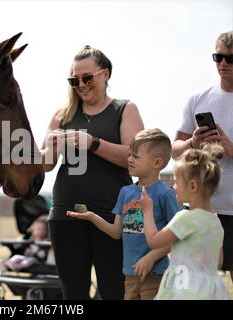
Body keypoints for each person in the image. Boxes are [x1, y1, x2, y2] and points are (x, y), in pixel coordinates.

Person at [41, 45, 144, 299]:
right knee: (73, 295)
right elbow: (45, 164)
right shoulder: (62, 115)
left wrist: (93, 143)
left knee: (115, 291)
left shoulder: (125, 109)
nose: (82, 85)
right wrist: (48, 146)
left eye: (88, 78)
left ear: (105, 74)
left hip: (114, 215)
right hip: (66, 215)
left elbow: (135, 158)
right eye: (75, 80)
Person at [67, 128, 179, 300]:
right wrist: (92, 217)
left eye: (136, 156)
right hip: (130, 275)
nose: (129, 160)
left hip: (155, 275)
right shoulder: (125, 192)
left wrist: (151, 258)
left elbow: (176, 236)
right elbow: (116, 232)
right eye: (129, 155)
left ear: (157, 163)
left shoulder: (165, 194)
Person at [172, 31, 233, 283]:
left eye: (230, 58)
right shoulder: (198, 99)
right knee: (194, 285)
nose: (223, 64)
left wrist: (229, 146)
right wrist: (193, 142)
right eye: (217, 57)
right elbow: (174, 149)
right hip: (201, 210)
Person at [141, 143, 230, 299]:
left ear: (192, 186)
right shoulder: (216, 222)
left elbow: (154, 241)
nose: (173, 186)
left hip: (183, 290)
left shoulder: (186, 218)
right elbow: (217, 263)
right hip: (210, 292)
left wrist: (147, 211)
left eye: (176, 181)